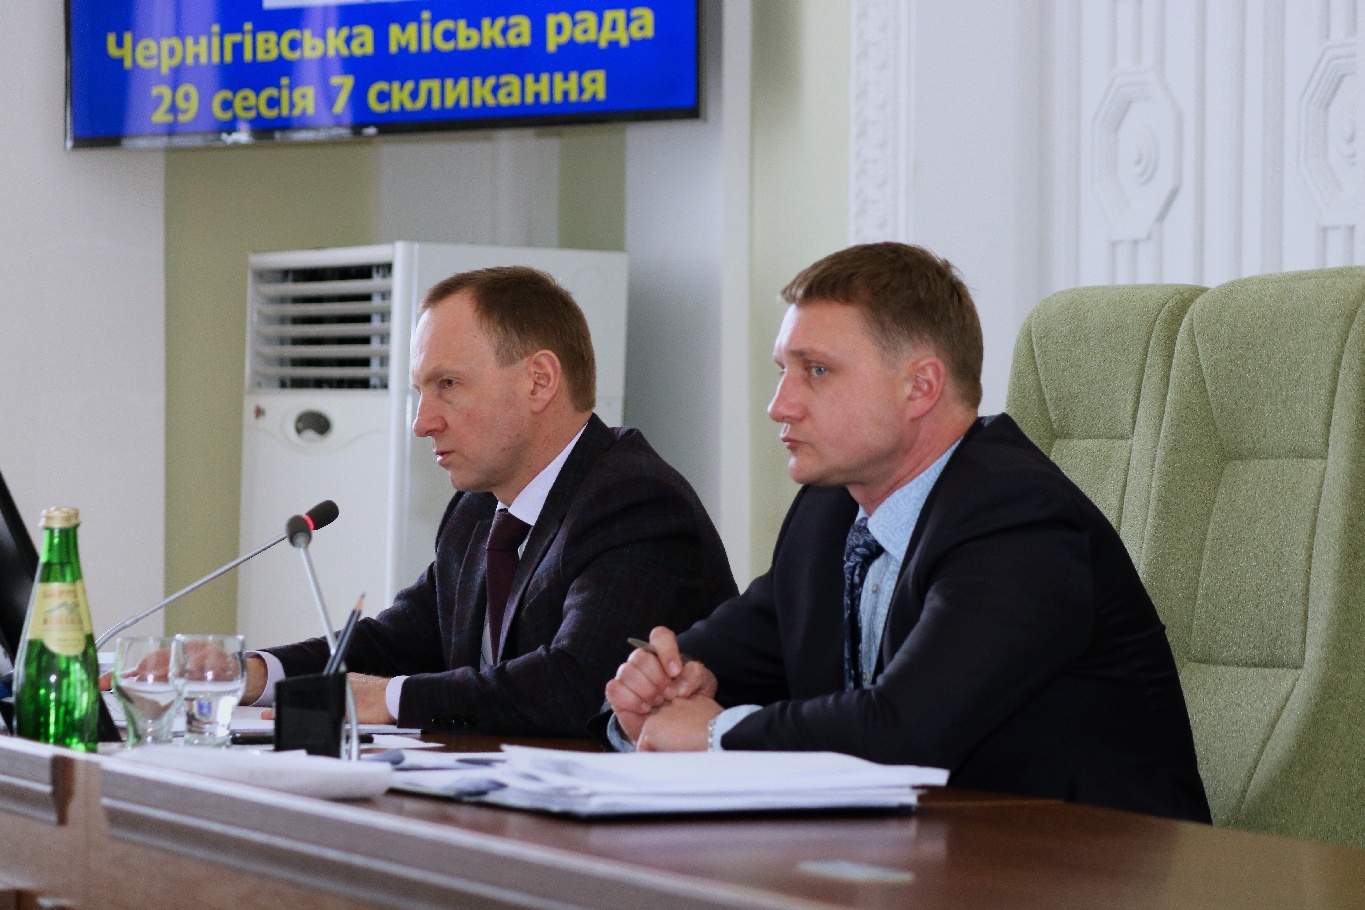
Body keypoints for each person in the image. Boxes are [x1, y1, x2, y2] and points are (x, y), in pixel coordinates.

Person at [602, 242, 1211, 822]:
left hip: (1091, 865)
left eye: (817, 370)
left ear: (921, 387)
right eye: (783, 370)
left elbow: (904, 733)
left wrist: (715, 733)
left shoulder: (1019, 519)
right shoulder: (828, 510)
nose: (780, 405)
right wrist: (651, 690)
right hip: (921, 853)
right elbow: (714, 657)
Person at [246, 265, 737, 736]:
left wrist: (392, 700)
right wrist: (254, 674)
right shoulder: (478, 508)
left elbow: (579, 684)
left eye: (447, 385)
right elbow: (399, 643)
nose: (422, 423)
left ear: (539, 381)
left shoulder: (634, 502)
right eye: (420, 391)